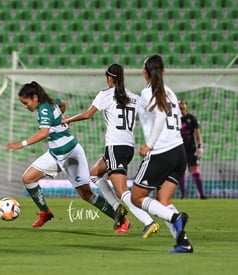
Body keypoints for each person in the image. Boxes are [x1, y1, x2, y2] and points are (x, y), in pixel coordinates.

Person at [5, 81, 128, 231]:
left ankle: (122, 221)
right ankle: (45, 212)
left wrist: (21, 144)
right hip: (55, 153)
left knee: (86, 194)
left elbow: (43, 133)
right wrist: (62, 119)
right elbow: (62, 103)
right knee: (28, 178)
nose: (25, 106)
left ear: (35, 98)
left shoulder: (43, 109)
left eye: (26, 102)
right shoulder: (49, 101)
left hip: (71, 154)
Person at [62, 64, 159, 237]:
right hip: (128, 146)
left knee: (122, 190)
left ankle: (148, 221)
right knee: (94, 174)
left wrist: (69, 119)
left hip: (116, 147)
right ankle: (117, 209)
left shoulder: (106, 95)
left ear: (109, 78)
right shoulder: (134, 97)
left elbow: (87, 114)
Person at [131, 55, 193, 253]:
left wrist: (149, 144)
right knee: (163, 202)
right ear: (164, 71)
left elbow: (159, 116)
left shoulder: (148, 91)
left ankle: (176, 218)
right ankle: (183, 243)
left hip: (161, 152)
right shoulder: (170, 93)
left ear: (144, 72)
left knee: (136, 197)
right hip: (179, 152)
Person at [178, 99, 207, 199]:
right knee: (181, 172)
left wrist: (200, 146)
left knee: (195, 171)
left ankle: (202, 194)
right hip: (179, 150)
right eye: (179, 104)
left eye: (183, 103)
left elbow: (197, 133)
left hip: (191, 149)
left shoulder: (191, 118)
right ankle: (183, 195)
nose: (181, 106)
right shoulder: (175, 119)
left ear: (186, 105)